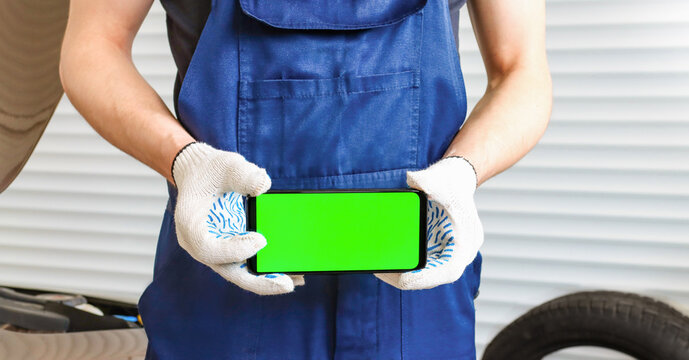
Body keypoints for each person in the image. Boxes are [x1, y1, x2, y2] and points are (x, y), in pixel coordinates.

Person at [59, 0, 552, 358]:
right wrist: (184, 162)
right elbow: (92, 46)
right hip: (226, 279)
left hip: (415, 296)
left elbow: (522, 69)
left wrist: (464, 173)